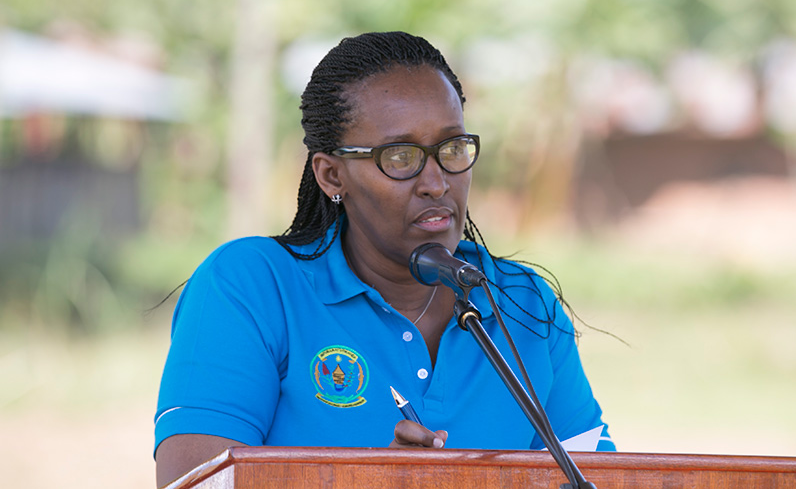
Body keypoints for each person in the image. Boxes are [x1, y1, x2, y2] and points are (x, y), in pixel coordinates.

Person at [154, 31, 614, 487]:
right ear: (332, 174)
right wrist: (370, 482)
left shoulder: (523, 301)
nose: (436, 182)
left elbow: (600, 476)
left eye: (452, 149)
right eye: (400, 157)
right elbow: (194, 483)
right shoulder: (252, 286)